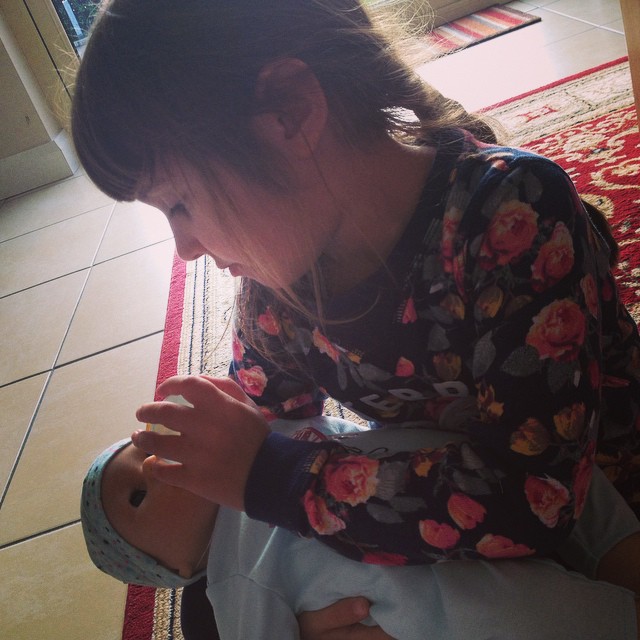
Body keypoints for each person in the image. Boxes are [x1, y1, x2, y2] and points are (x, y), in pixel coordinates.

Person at [71, 0, 640, 637]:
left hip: (599, 495)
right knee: (213, 610)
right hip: (451, 511)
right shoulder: (276, 292)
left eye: (179, 203)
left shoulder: (511, 215)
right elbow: (270, 422)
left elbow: (539, 500)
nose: (184, 249)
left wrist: (274, 478)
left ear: (290, 112)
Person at [82, 397, 640, 639]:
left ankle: (620, 549)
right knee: (535, 615)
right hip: (449, 591)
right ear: (175, 568)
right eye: (138, 495)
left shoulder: (255, 444)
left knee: (564, 478)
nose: (157, 465)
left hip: (466, 480)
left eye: (150, 447)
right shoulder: (233, 579)